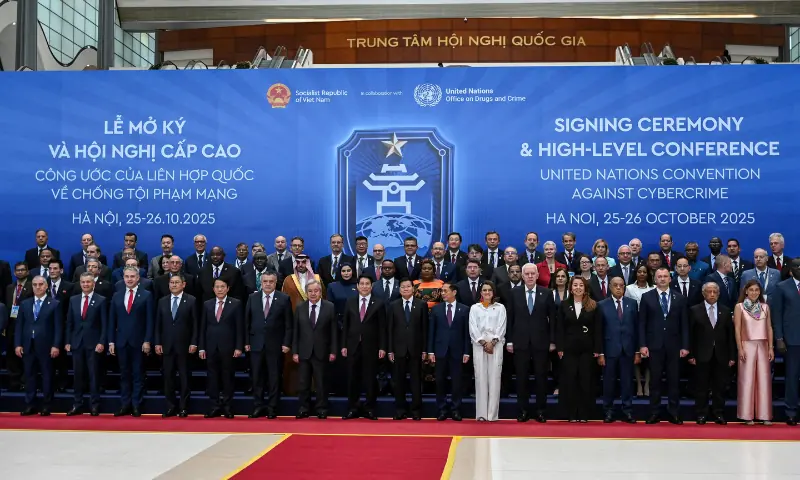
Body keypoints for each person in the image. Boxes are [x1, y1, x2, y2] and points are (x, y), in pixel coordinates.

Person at [506, 263, 556, 422]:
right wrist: (509, 341)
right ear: (522, 275)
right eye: (526, 273)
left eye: (532, 273)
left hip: (541, 343)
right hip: (520, 343)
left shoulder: (546, 293)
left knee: (541, 378)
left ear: (537, 275)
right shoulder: (513, 293)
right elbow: (509, 319)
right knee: (521, 378)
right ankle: (523, 411)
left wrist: (552, 341)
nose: (529, 276)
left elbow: (553, 320)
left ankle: (541, 411)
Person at [639, 267, 689, 424]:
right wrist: (642, 345)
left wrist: (685, 346)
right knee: (655, 381)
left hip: (674, 346)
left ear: (670, 278)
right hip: (654, 346)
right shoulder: (646, 297)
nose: (662, 279)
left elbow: (684, 325)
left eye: (665, 276)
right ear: (654, 279)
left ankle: (674, 412)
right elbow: (642, 324)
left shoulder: (680, 298)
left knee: (674, 381)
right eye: (659, 276)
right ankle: (654, 412)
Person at [244, 271, 293, 419]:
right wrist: (246, 342)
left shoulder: (284, 298)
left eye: (271, 281)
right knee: (257, 377)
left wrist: (286, 343)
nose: (268, 284)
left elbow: (288, 324)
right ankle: (258, 406)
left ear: (275, 282)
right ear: (261, 282)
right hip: (256, 344)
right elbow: (246, 322)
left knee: (274, 377)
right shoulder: (252, 298)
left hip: (276, 345)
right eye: (265, 281)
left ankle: (272, 407)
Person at [109, 266, 154, 417]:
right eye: (126, 276)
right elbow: (111, 321)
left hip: (139, 342)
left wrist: (147, 340)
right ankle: (125, 405)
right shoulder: (117, 295)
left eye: (132, 277)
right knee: (124, 374)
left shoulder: (147, 295)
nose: (129, 279)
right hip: (121, 341)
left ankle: (136, 405)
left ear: (138, 278)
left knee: (137, 374)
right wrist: (111, 341)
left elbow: (149, 321)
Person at [688, 282, 735, 425]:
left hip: (721, 355)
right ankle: (701, 414)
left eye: (715, 291)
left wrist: (732, 356)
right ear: (704, 294)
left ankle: (718, 413)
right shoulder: (695, 310)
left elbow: (730, 336)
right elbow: (690, 335)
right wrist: (691, 355)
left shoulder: (726, 311)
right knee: (701, 386)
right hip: (701, 355)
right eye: (709, 292)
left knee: (719, 387)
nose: (712, 294)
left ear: (719, 294)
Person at [14, 275, 62, 416]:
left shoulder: (54, 304)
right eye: (35, 284)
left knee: (47, 376)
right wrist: (18, 344)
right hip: (28, 345)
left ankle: (46, 405)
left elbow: (58, 327)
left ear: (46, 286)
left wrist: (56, 345)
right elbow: (19, 326)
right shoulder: (25, 304)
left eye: (41, 284)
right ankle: (30, 404)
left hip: (46, 346)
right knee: (29, 375)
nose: (38, 287)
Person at [341, 275, 386, 420]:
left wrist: (382, 347)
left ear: (371, 286)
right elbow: (345, 325)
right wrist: (343, 345)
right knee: (352, 378)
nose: (365, 286)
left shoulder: (379, 303)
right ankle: (352, 408)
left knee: (370, 378)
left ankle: (369, 408)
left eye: (368, 284)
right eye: (362, 284)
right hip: (352, 346)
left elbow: (382, 328)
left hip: (371, 347)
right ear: (358, 286)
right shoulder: (350, 302)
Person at [557, 276, 601, 422]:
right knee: (570, 381)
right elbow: (560, 328)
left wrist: (597, 348)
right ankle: (571, 414)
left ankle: (584, 414)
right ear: (570, 288)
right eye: (575, 285)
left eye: (581, 285)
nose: (578, 288)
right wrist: (560, 347)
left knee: (586, 381)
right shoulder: (564, 305)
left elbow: (597, 329)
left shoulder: (593, 305)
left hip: (587, 350)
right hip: (569, 349)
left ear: (585, 288)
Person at [154, 273, 198, 418]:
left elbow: (195, 325)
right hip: (166, 346)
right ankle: (170, 407)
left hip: (184, 346)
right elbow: (158, 324)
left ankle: (184, 407)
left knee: (185, 377)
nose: (173, 285)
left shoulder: (191, 300)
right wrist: (158, 342)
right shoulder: (162, 301)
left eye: (177, 282)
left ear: (183, 284)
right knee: (168, 377)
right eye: (171, 282)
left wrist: (193, 342)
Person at [292, 280, 337, 419]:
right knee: (303, 383)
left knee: (321, 383)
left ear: (320, 292)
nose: (313, 293)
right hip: (304, 351)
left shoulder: (329, 307)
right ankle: (303, 408)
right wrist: (295, 351)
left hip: (322, 351)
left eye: (316, 291)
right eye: (310, 291)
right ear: (307, 292)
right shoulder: (300, 307)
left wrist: (333, 351)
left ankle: (322, 408)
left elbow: (334, 331)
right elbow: (296, 331)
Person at [199, 277, 243, 419]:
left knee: (228, 378)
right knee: (212, 378)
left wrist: (238, 347)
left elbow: (239, 328)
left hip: (229, 348)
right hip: (211, 347)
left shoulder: (236, 304)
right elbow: (202, 328)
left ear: (227, 288)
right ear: (213, 289)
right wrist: (201, 347)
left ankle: (228, 407)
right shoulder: (207, 304)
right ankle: (214, 406)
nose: (219, 289)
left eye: (222, 286)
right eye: (217, 287)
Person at [65, 272, 107, 416]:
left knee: (93, 375)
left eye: (88, 282)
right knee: (78, 375)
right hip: (77, 343)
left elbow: (104, 324)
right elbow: (69, 322)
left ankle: (94, 405)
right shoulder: (73, 300)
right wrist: (68, 341)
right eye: (83, 282)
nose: (85, 284)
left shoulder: (101, 300)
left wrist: (102, 342)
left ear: (93, 284)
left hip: (94, 344)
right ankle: (77, 404)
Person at [598, 277, 639, 423]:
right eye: (615, 285)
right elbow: (599, 331)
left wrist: (637, 351)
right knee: (608, 383)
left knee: (627, 382)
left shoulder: (632, 304)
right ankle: (608, 411)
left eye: (621, 285)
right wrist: (601, 352)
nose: (618, 288)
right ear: (609, 287)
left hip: (627, 349)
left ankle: (627, 410)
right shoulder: (602, 305)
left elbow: (637, 328)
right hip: (609, 351)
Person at [428, 283, 470, 421]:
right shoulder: (436, 309)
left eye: (445, 291)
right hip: (440, 350)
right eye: (441, 291)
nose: (443, 293)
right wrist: (430, 351)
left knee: (457, 382)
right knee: (439, 381)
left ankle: (455, 409)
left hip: (457, 351)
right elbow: (431, 332)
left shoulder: (464, 310)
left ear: (454, 292)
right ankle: (442, 409)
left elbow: (466, 333)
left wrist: (466, 351)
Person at [388, 278, 428, 420]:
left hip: (416, 349)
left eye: (408, 286)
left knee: (416, 381)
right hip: (398, 348)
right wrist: (390, 349)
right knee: (398, 381)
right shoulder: (393, 305)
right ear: (399, 290)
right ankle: (400, 410)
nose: (405, 289)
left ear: (413, 289)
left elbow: (424, 329)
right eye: (402, 287)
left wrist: (424, 349)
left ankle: (416, 411)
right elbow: (390, 329)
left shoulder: (421, 304)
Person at [735, 279, 774, 425]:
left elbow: (769, 328)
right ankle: (746, 415)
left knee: (764, 380)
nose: (754, 293)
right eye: (751, 290)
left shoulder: (765, 307)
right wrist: (740, 348)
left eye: (757, 290)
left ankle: (764, 415)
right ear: (746, 291)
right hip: (747, 345)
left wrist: (771, 347)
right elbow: (737, 329)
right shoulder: (740, 307)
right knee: (747, 380)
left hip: (763, 345)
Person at [469, 281, 507, 422]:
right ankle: (481, 414)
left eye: (489, 290)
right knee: (480, 379)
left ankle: (492, 415)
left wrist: (493, 342)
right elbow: (472, 327)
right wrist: (483, 342)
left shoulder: (500, 308)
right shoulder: (475, 308)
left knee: (494, 378)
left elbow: (502, 327)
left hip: (496, 345)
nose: (487, 292)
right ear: (480, 292)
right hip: (479, 345)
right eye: (484, 290)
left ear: (493, 292)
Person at [771, 258, 800, 425]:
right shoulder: (782, 287)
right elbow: (777, 315)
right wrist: (779, 338)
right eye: (797, 266)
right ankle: (791, 411)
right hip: (791, 339)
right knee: (792, 377)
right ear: (790, 270)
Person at [625, 263, 654, 397]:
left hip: (650, 325)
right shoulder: (629, 288)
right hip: (633, 324)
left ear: (648, 274)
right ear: (635, 274)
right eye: (639, 272)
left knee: (648, 357)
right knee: (636, 355)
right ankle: (638, 384)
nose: (642, 274)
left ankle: (647, 384)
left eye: (644, 272)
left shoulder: (653, 288)